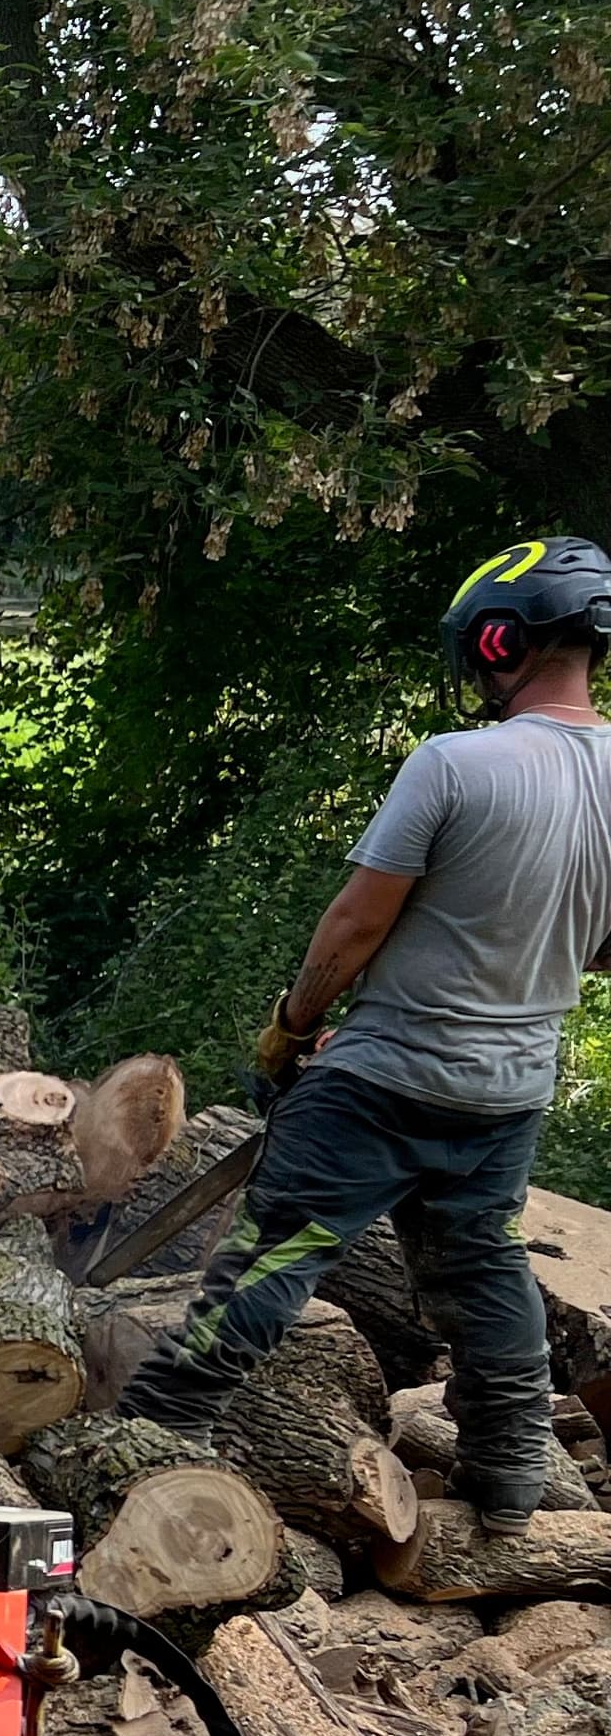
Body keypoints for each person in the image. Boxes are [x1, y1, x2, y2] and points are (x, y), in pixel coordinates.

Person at [122, 536, 611, 1531]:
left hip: (381, 1078)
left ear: (498, 637)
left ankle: (149, 1441)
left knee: (275, 1256)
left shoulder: (454, 762)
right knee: (483, 1265)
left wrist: (292, 1029)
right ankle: (512, 1480)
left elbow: (355, 921)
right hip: (510, 1091)